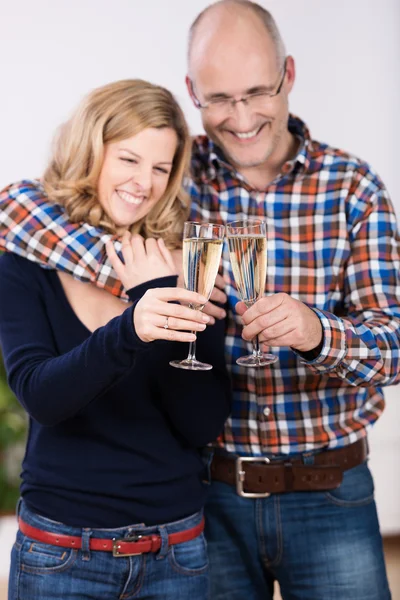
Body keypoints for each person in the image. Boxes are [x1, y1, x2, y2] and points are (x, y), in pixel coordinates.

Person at [0, 1, 399, 598]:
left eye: (256, 92)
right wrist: (144, 284)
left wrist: (317, 333)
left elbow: (392, 351)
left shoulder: (352, 187)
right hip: (208, 493)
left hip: (329, 488)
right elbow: (19, 207)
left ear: (288, 75)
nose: (240, 117)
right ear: (194, 92)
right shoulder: (173, 170)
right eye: (218, 99)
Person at [0, 79, 232, 600]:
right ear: (90, 152)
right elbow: (42, 396)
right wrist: (131, 326)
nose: (143, 182)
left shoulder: (188, 266)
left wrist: (159, 299)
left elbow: (201, 424)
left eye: (160, 167)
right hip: (58, 553)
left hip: (175, 550)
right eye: (128, 159)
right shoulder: (24, 263)